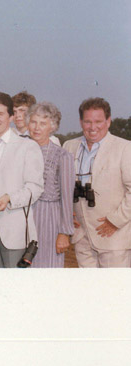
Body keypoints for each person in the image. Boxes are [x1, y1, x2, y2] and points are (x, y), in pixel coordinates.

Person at [0, 92, 44, 268]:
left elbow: (35, 188)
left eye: (0, 114)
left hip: (15, 228)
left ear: (11, 117)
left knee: (15, 287)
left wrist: (9, 199)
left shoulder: (28, 147)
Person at [63, 97, 131, 268]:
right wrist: (67, 212)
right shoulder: (69, 146)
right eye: (87, 122)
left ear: (108, 121)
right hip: (81, 237)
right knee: (89, 291)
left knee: (114, 291)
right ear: (80, 122)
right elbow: (62, 187)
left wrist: (115, 220)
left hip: (113, 237)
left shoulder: (125, 148)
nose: (93, 127)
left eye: (98, 121)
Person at [27, 102, 75, 268]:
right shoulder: (19, 150)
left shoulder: (63, 156)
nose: (37, 128)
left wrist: (64, 232)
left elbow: (67, 198)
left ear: (52, 127)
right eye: (33, 122)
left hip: (48, 219)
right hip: (21, 219)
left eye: (43, 123)